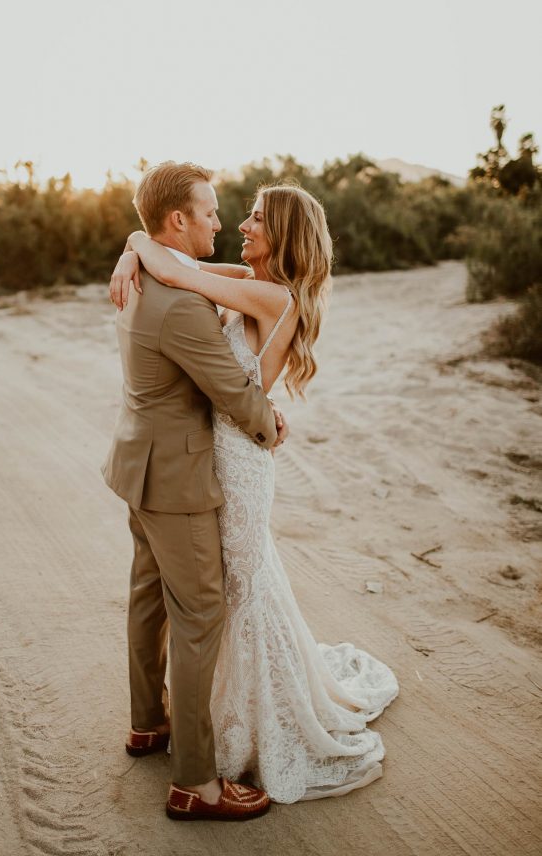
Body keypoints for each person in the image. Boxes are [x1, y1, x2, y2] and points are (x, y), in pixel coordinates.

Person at [109, 175, 400, 804]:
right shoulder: (249, 285)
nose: (240, 226)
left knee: (233, 592)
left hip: (235, 459)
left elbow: (181, 271)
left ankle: (228, 727)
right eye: (234, 215)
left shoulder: (275, 297)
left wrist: (139, 240)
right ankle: (196, 735)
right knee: (215, 598)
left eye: (256, 220)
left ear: (283, 237)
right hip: (207, 454)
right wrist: (137, 241)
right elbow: (178, 261)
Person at [101, 161, 288, 822]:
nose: (218, 219)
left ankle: (147, 724)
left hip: (137, 465)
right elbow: (233, 394)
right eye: (208, 211)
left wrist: (132, 244)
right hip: (175, 479)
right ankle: (195, 782)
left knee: (148, 596)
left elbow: (148, 239)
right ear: (175, 220)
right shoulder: (182, 304)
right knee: (200, 612)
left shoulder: (152, 271)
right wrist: (270, 427)